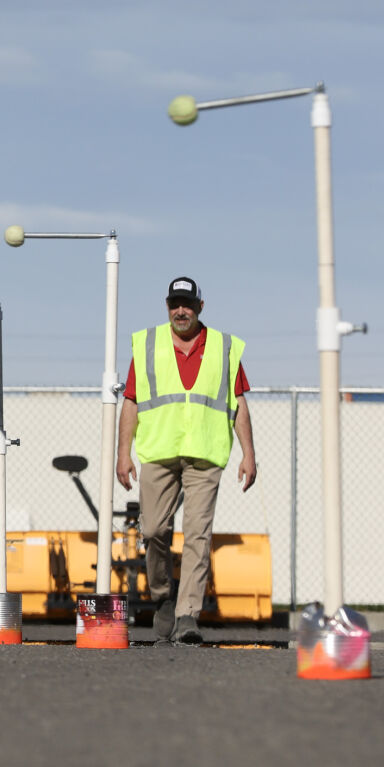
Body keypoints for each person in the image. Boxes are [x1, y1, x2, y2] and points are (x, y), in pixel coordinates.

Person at [116, 276, 257, 645]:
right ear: (167, 307)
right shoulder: (148, 345)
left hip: (206, 455)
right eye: (175, 304)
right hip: (158, 452)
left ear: (200, 307)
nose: (181, 310)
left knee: (197, 534)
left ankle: (187, 616)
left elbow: (238, 402)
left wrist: (249, 454)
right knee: (152, 531)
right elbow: (130, 401)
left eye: (188, 304)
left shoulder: (225, 348)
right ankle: (163, 596)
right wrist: (123, 454)